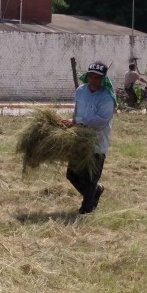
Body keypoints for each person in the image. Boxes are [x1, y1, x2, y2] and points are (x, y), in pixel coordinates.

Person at [61, 61, 116, 214]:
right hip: (79, 140)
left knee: (91, 178)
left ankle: (86, 210)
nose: (93, 80)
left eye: (97, 77)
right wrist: (72, 122)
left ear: (103, 79)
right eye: (91, 76)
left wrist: (78, 121)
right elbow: (77, 112)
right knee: (72, 174)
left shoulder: (107, 97)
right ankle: (96, 191)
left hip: (97, 143)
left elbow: (101, 120)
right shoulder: (80, 91)